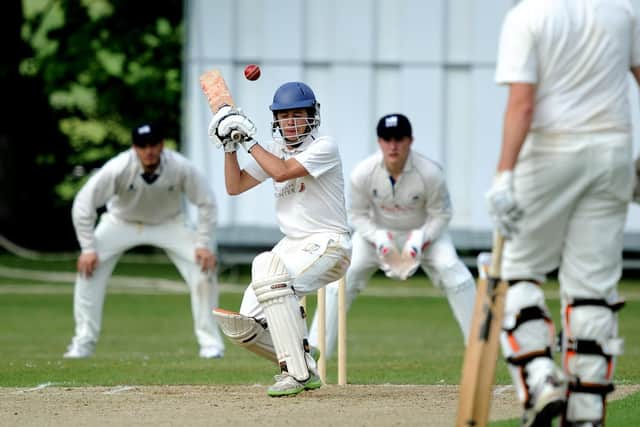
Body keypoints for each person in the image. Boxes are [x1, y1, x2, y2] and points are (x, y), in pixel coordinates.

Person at [487, 1, 639, 425]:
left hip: (549, 152)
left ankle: (539, 379)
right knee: (592, 290)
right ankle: (587, 413)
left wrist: (504, 175)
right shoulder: (623, 10)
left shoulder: (527, 16)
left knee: (518, 273)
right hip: (613, 153)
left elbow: (522, 105)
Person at [206, 81, 351, 397]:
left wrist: (247, 139)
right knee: (245, 325)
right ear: (277, 119)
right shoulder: (272, 149)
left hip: (330, 244)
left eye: (298, 114)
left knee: (272, 275)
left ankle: (297, 374)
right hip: (292, 245)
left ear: (312, 116)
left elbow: (284, 172)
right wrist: (230, 146)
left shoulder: (324, 146)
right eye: (285, 116)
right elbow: (235, 185)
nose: (292, 121)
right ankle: (303, 358)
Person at [308, 113, 477, 358]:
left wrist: (421, 239)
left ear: (410, 141)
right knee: (340, 280)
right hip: (376, 236)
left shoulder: (430, 173)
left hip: (425, 236)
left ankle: (479, 352)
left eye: (399, 138)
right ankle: (316, 355)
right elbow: (356, 214)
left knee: (455, 272)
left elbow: (441, 215)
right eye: (387, 139)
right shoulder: (363, 173)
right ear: (379, 142)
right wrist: (379, 237)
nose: (393, 145)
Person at [63, 123, 225, 360]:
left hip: (169, 223)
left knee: (204, 270)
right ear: (134, 147)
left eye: (153, 145)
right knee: (88, 270)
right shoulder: (118, 167)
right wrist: (88, 248)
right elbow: (83, 203)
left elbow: (206, 202)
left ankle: (211, 344)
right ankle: (83, 343)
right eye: (142, 145)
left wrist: (203, 244)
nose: (148, 151)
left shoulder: (180, 167)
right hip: (121, 222)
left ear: (161, 145)